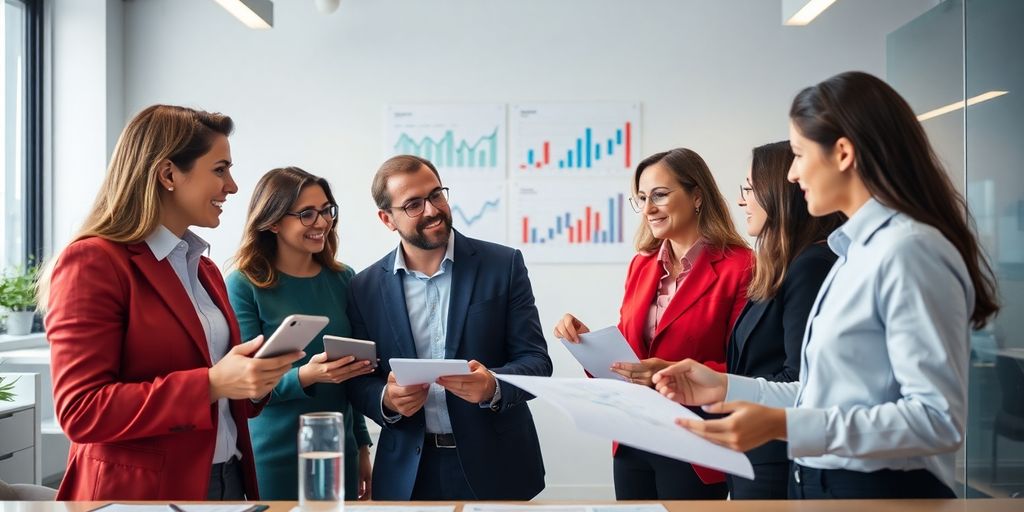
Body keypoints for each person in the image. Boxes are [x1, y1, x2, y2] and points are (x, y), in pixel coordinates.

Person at [653, 71, 1000, 499]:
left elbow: (936, 420)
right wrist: (725, 386)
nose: (793, 175)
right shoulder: (852, 252)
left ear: (842, 153)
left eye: (798, 154)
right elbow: (817, 395)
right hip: (823, 485)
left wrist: (784, 425)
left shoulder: (909, 251)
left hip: (879, 492)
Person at [40, 105, 303, 501]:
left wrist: (251, 381)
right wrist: (212, 384)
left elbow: (226, 397)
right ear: (167, 175)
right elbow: (82, 410)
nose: (231, 186)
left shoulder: (205, 269)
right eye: (220, 169)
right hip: (139, 495)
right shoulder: (94, 262)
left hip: (229, 481)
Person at [345, 155, 552, 501]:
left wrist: (493, 386)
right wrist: (387, 399)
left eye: (436, 194)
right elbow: (358, 379)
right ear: (387, 219)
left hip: (499, 466)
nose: (431, 210)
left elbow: (536, 362)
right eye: (413, 204)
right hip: (408, 473)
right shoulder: (363, 287)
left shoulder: (503, 265)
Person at [553, 148, 752, 500]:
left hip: (695, 440)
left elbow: (745, 369)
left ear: (697, 196)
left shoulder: (740, 267)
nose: (647, 209)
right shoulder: (642, 265)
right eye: (642, 198)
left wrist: (671, 371)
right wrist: (588, 344)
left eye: (659, 195)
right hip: (633, 437)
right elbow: (630, 351)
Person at [226, 167, 376, 500]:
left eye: (326, 210)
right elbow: (244, 384)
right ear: (274, 221)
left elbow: (349, 376)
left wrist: (362, 444)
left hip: (338, 450)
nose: (321, 222)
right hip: (274, 453)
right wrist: (307, 375)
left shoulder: (343, 279)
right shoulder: (244, 284)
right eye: (307, 214)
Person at [726, 141, 843, 499]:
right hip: (756, 452)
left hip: (778, 455)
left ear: (779, 192)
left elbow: (800, 379)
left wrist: (722, 388)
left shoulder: (809, 267)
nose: (743, 200)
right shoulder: (777, 268)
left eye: (749, 188)